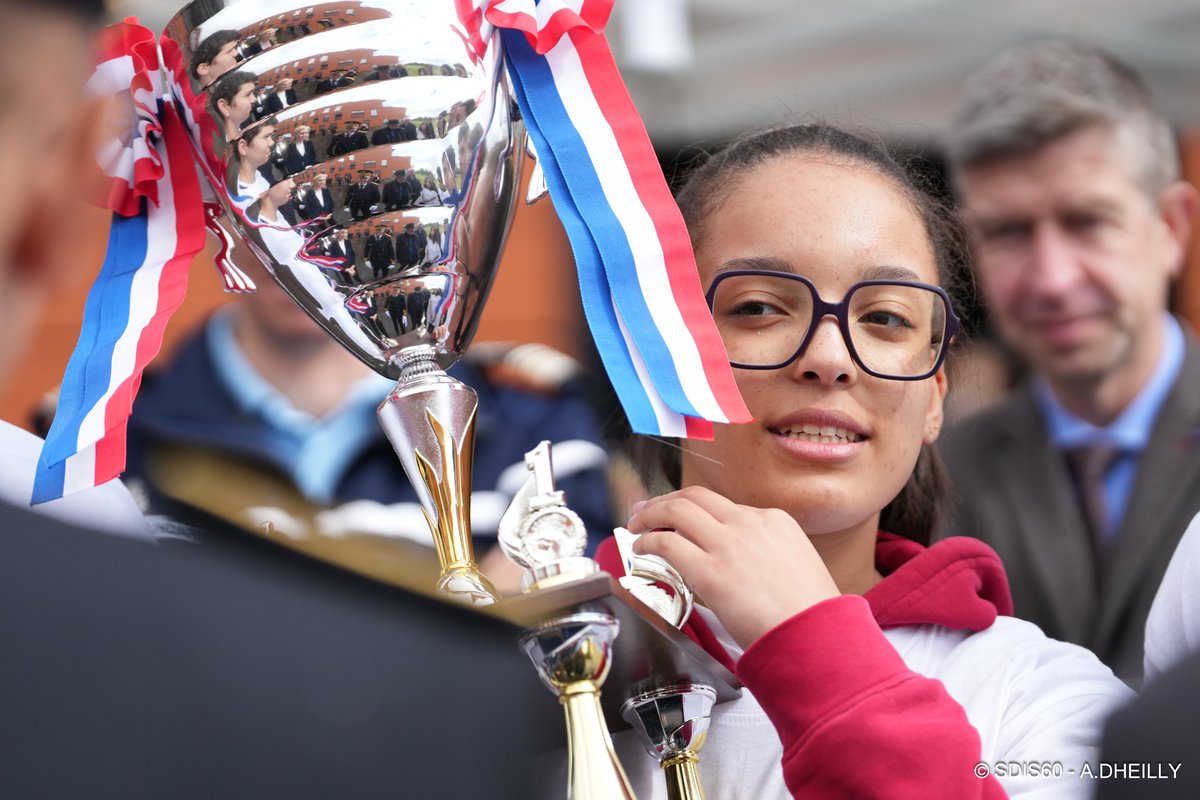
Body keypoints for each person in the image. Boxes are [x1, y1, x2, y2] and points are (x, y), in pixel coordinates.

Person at [604, 122, 1130, 798]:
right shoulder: (553, 660)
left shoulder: (1040, 692)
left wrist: (809, 643)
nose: (829, 358)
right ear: (657, 360)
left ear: (934, 397)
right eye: (760, 307)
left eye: (885, 319)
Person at [937, 42, 1200, 685]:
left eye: (1087, 221)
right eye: (1009, 232)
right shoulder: (939, 477)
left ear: (1172, 226)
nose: (1052, 279)